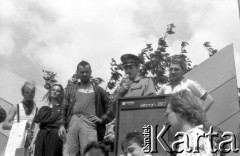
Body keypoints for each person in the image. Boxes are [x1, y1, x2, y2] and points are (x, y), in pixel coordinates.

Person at [58, 60, 114, 156]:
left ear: (90, 72)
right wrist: (62, 125)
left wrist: (101, 119)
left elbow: (111, 107)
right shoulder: (70, 89)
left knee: (91, 153)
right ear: (77, 73)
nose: (84, 74)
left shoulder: (98, 90)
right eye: (82, 72)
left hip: (90, 123)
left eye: (87, 72)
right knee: (68, 153)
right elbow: (64, 107)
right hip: (72, 122)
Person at [104, 53, 156, 143]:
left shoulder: (146, 81)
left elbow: (150, 104)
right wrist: (121, 92)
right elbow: (113, 109)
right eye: (125, 68)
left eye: (131, 67)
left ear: (137, 68)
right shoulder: (122, 86)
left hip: (141, 125)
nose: (128, 70)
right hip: (124, 127)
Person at [165, 89, 216, 155]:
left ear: (179, 112)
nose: (166, 121)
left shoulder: (194, 139)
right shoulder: (192, 138)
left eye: (167, 114)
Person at [2, 81, 38, 156]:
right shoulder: (16, 107)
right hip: (14, 142)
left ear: (34, 93)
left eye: (32, 92)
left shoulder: (36, 110)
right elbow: (5, 125)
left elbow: (34, 129)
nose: (30, 94)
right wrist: (22, 126)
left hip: (26, 144)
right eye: (27, 92)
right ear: (23, 94)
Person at [30, 83, 64, 156]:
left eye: (58, 91)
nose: (55, 91)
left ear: (61, 94)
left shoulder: (62, 109)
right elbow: (38, 127)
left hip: (55, 137)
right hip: (41, 137)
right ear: (50, 91)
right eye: (53, 90)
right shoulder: (42, 109)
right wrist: (33, 142)